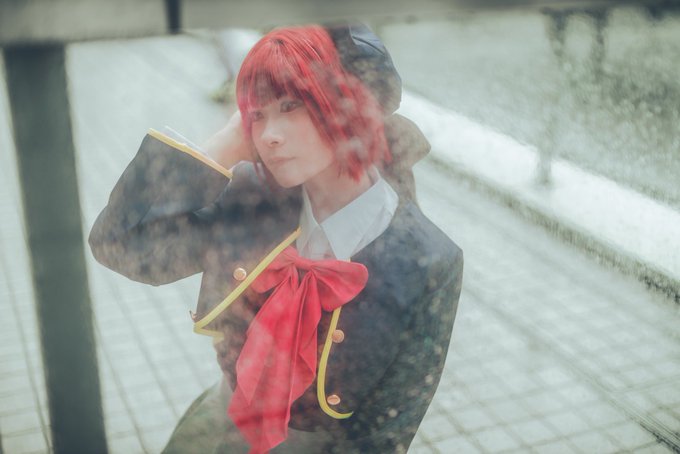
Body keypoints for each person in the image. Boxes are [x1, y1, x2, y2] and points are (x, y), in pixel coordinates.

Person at [89, 23, 463, 454]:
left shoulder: (428, 260)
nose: (268, 135)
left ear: (350, 108)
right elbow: (120, 245)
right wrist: (225, 145)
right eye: (257, 114)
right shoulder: (252, 199)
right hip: (218, 429)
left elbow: (386, 431)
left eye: (290, 105)